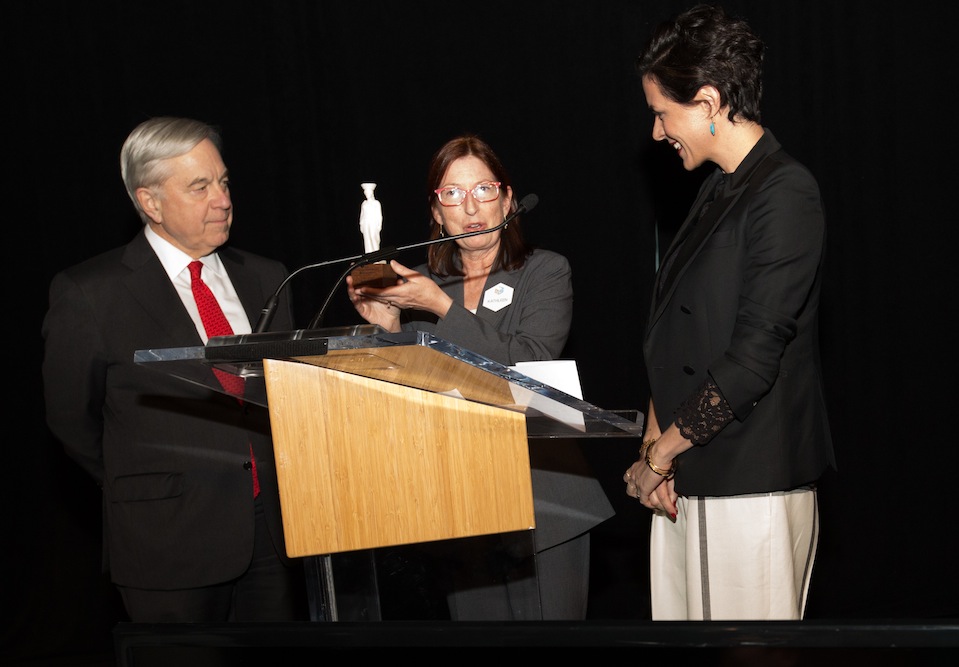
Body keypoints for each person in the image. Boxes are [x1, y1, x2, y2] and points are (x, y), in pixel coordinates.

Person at [41, 116, 306, 623]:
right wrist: (150, 481)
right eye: (200, 187)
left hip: (271, 535)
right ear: (150, 202)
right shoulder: (89, 294)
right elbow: (72, 419)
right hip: (165, 538)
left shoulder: (267, 277)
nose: (223, 200)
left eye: (224, 182)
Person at [623, 4, 836, 621]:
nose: (659, 132)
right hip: (687, 472)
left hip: (751, 482)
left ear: (709, 101)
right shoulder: (718, 188)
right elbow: (671, 333)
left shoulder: (786, 192)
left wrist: (659, 456)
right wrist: (655, 447)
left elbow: (752, 359)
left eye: (663, 113)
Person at [347, 134, 614, 620]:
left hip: (545, 500)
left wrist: (439, 307)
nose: (470, 208)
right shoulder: (421, 284)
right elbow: (407, 390)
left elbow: (529, 365)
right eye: (452, 194)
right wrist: (386, 324)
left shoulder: (544, 271)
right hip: (462, 502)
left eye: (484, 190)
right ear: (436, 211)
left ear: (508, 199)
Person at [359, 181, 383, 253]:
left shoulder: (376, 203)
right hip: (366, 223)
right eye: (366, 193)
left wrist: (379, 225)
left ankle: (376, 255)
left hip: (373, 223)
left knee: (373, 237)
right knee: (367, 239)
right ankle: (369, 255)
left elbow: (379, 215)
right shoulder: (364, 203)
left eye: (368, 193)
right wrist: (361, 224)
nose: (367, 195)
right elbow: (362, 215)